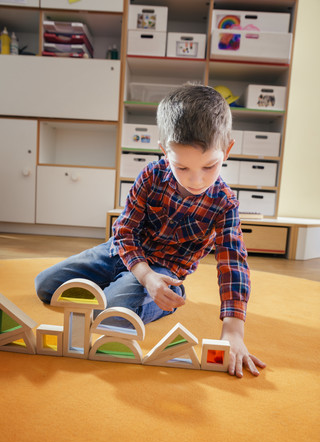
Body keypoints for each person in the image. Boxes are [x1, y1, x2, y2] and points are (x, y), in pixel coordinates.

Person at [35, 83, 266, 378]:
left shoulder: (225, 203)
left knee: (111, 315)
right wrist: (141, 274)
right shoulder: (151, 175)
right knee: (45, 285)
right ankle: (125, 285)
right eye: (182, 168)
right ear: (164, 151)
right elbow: (124, 231)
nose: (196, 180)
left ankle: (164, 297)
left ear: (227, 150)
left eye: (209, 166)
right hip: (119, 254)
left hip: (163, 271)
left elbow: (232, 263)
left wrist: (233, 330)